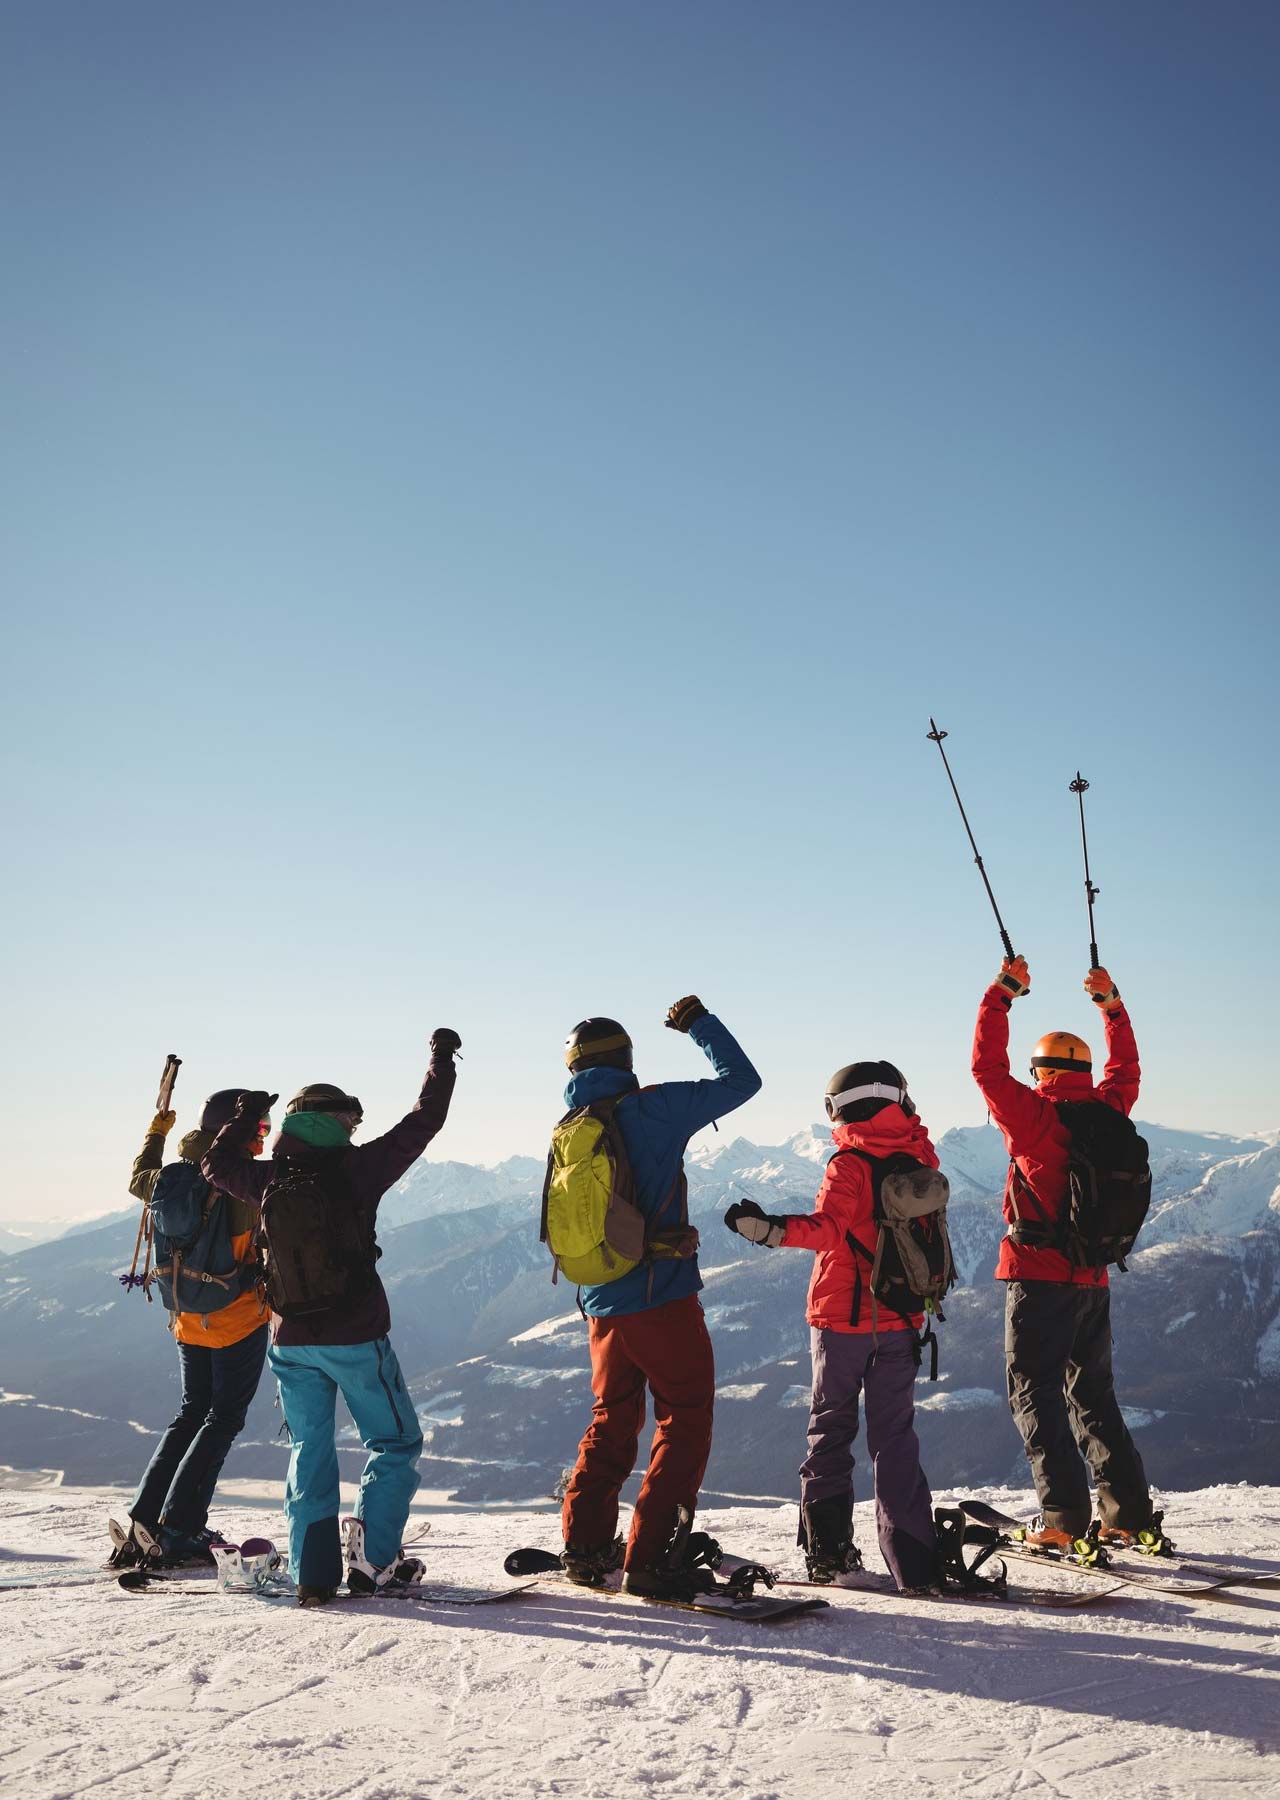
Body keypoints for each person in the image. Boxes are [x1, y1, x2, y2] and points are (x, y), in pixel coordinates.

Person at [203, 1030, 460, 1606]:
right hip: (356, 1335)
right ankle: (374, 1562)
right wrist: (441, 1059)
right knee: (394, 1442)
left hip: (289, 1339)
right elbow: (426, 1120)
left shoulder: (267, 1177)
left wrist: (245, 1117)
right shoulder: (360, 1169)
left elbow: (214, 1164)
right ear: (340, 1122)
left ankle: (313, 1574)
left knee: (310, 1449)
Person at [557, 998, 761, 1599]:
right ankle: (650, 1558)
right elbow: (742, 1081)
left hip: (600, 1302)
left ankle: (585, 1546)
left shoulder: (571, 1127)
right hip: (661, 1296)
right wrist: (698, 1022)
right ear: (626, 1059)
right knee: (685, 1417)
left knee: (612, 1418)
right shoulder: (654, 1109)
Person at [724, 1060, 941, 1593]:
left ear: (840, 1107)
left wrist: (768, 1230)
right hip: (903, 1318)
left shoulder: (849, 1163)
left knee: (831, 1431)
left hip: (842, 1320)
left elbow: (827, 1230)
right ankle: (914, 1562)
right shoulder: (921, 1156)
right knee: (895, 1438)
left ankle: (829, 1555)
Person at [972, 957, 1155, 1548]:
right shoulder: (1110, 1111)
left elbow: (986, 1067)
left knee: (1035, 1393)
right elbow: (1126, 1068)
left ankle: (1063, 1521)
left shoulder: (1033, 1118)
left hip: (1038, 1278)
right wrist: (1111, 1004)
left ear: (1042, 1072)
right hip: (1093, 1280)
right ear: (1084, 1071)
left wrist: (1001, 993)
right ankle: (1127, 1514)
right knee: (1094, 1395)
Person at [112, 1089, 272, 1567]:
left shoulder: (168, 1179)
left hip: (185, 1318)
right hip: (237, 1317)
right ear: (233, 1129)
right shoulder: (241, 1183)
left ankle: (145, 1518)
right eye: (259, 1127)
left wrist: (157, 1131)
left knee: (190, 1414)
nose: (263, 1136)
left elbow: (137, 1176)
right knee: (222, 1419)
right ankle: (181, 1527)